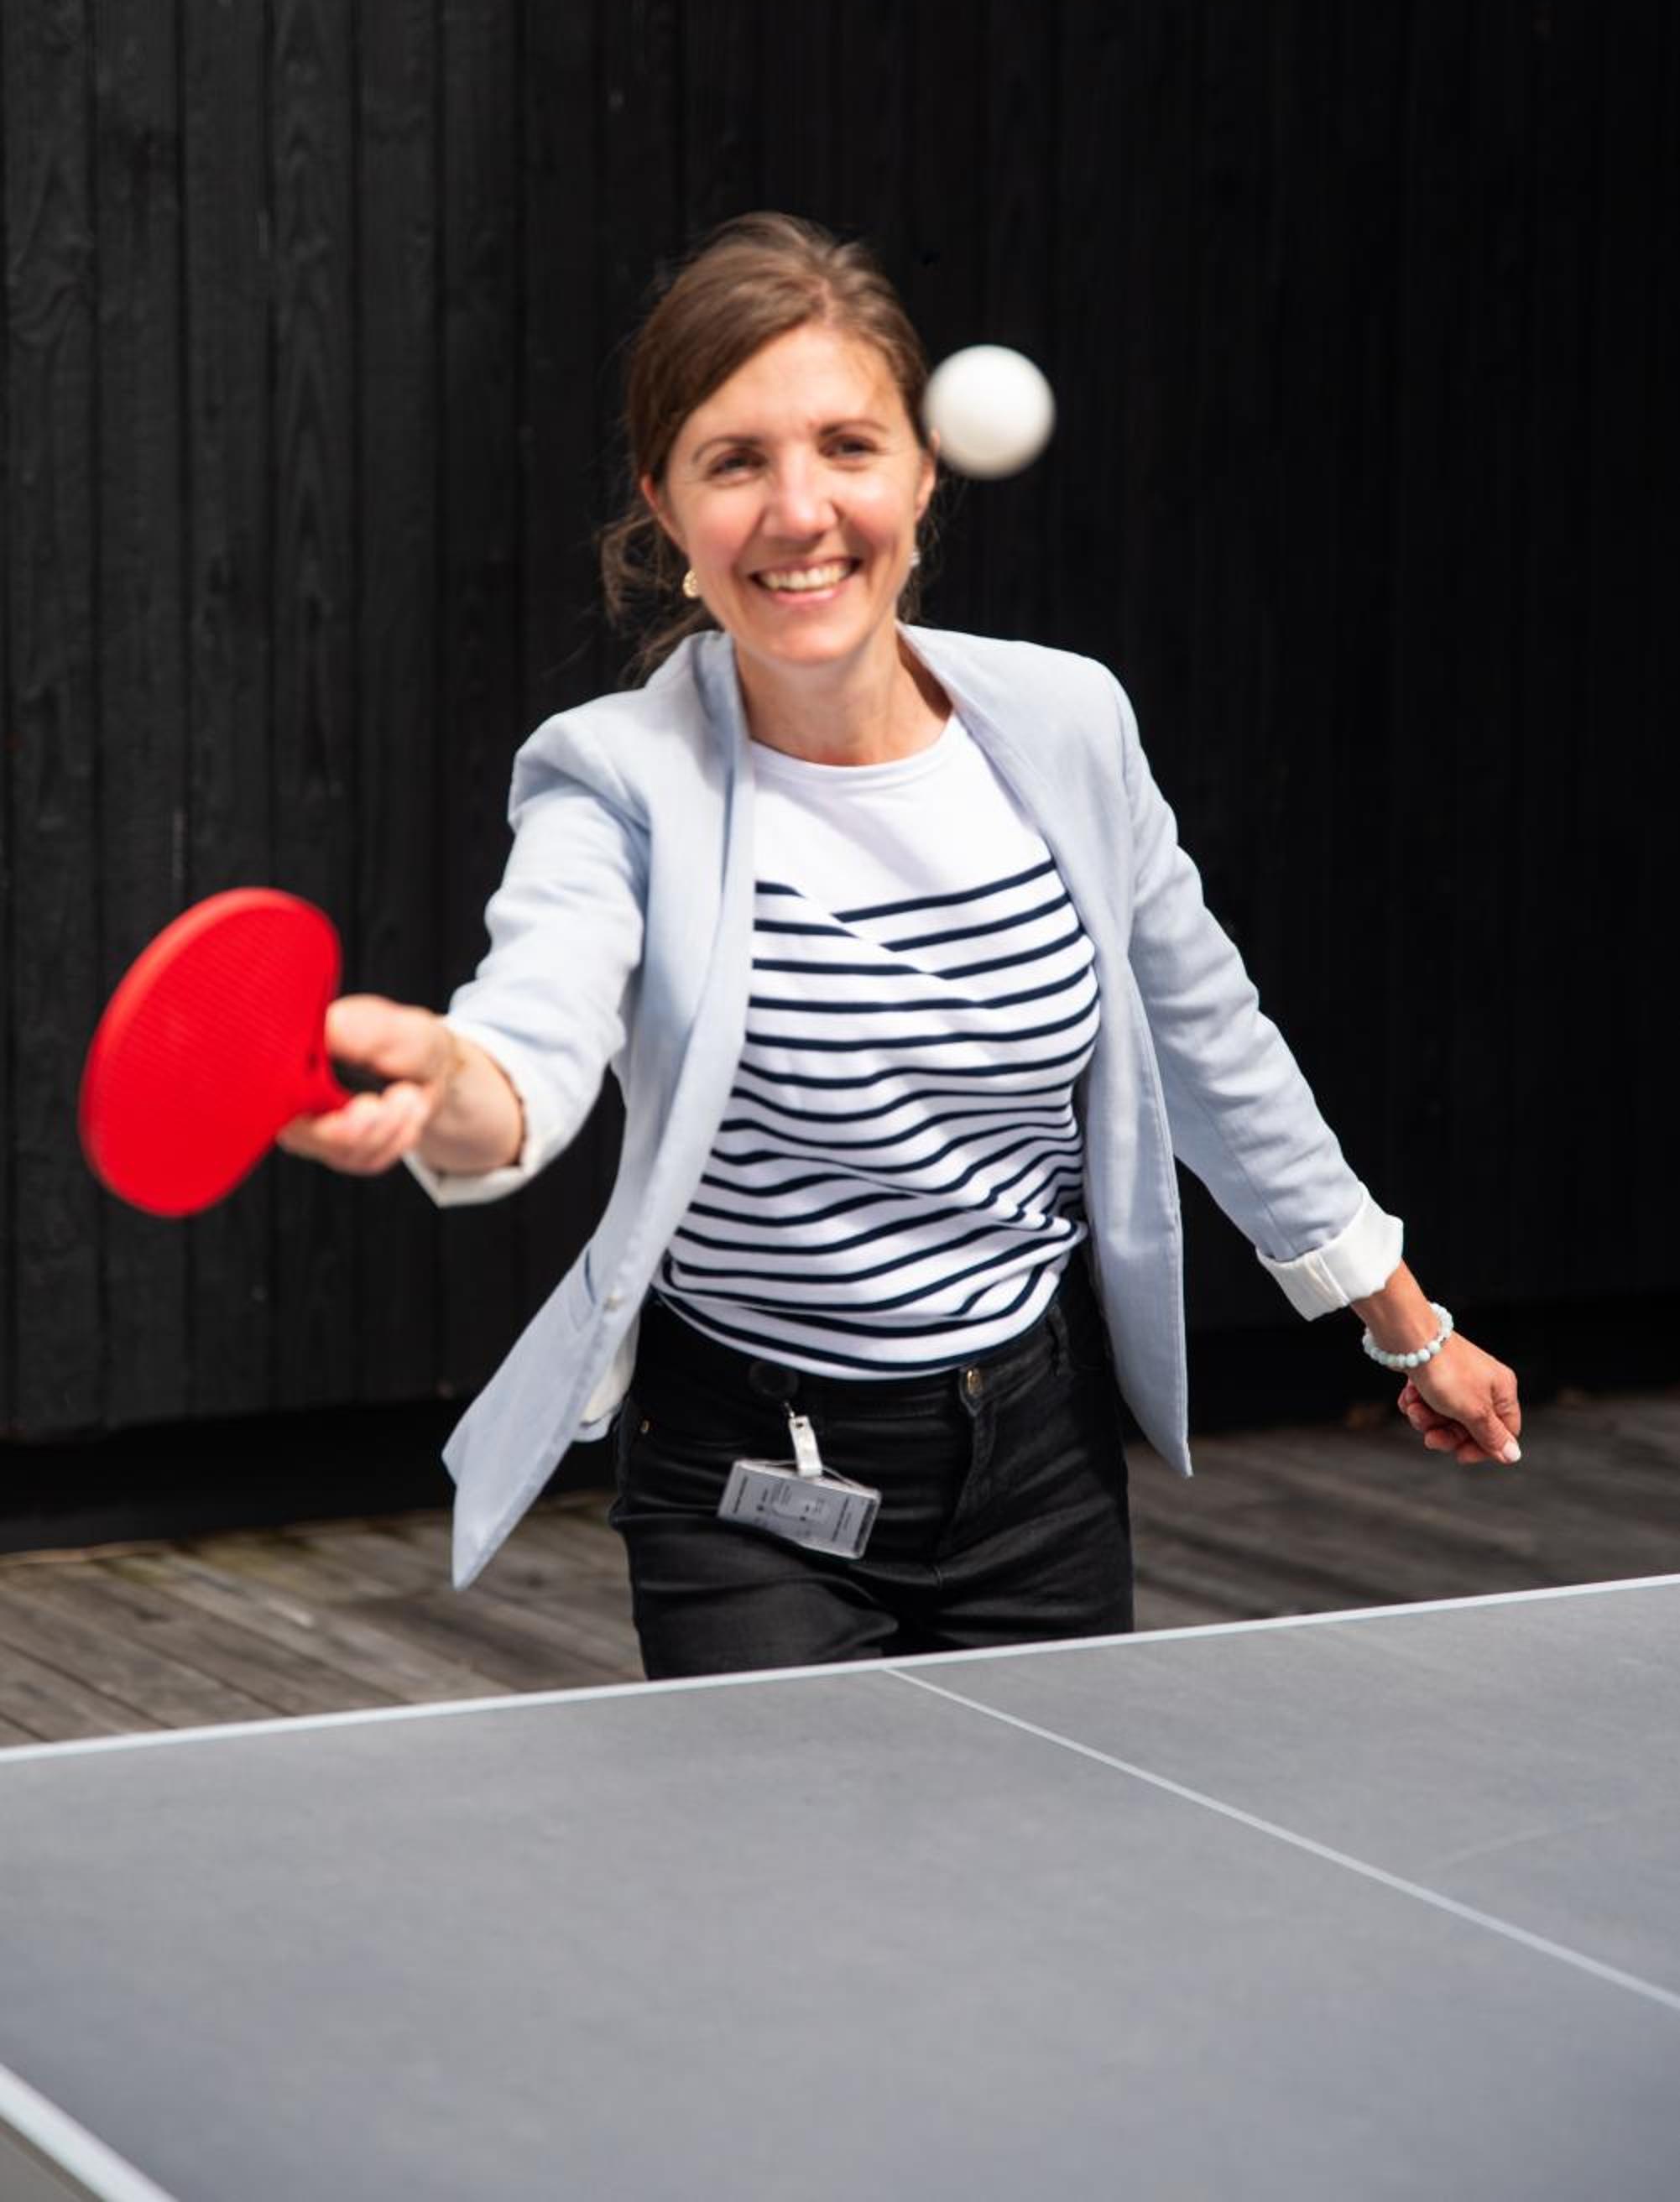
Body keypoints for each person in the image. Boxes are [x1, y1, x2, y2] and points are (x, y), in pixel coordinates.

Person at [279, 210, 1523, 1678]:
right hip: (746, 1477)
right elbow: (529, 1037)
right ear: (666, 506)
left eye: (846, 447)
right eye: (736, 462)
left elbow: (1210, 1040)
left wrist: (1405, 1324)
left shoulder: (1067, 724)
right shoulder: (614, 776)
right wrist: (450, 1084)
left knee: (1040, 1837)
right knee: (793, 1840)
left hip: (1041, 1459)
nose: (798, 509)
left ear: (921, 474)